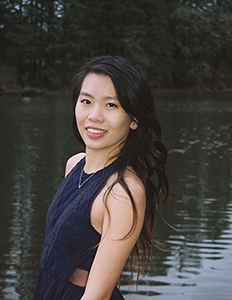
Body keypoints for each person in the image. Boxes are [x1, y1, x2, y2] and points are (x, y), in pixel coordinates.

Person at [33, 55, 170, 300]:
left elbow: (98, 294)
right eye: (86, 101)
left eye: (111, 105)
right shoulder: (74, 164)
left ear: (135, 120)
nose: (94, 116)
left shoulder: (122, 192)